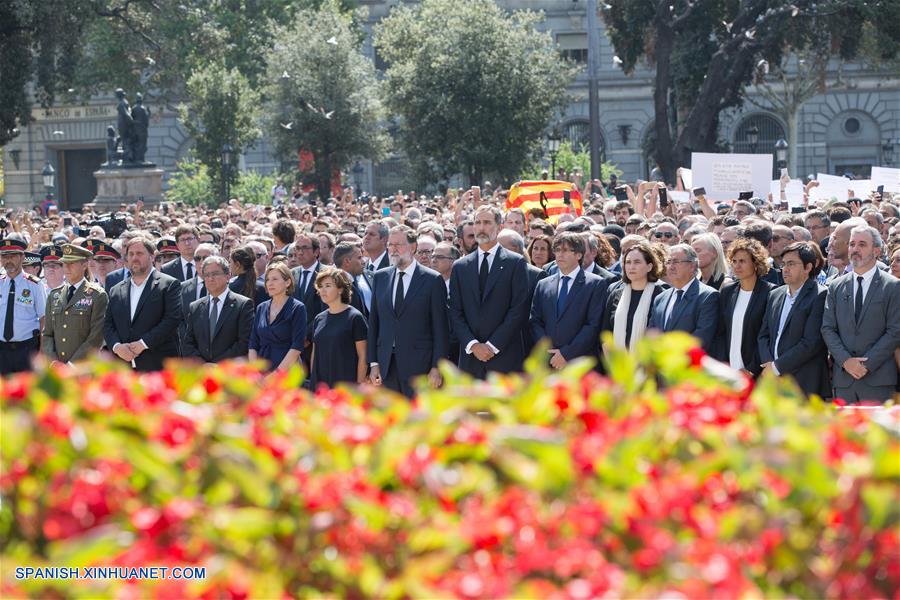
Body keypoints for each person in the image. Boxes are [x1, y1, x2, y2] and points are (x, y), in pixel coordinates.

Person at [449, 206, 530, 378]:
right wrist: (473, 345)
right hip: (470, 359)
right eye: (477, 223)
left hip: (504, 357)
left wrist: (492, 346)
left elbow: (518, 310)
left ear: (499, 227)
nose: (481, 227)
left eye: (487, 222)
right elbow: (455, 311)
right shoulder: (460, 267)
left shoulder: (515, 263)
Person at [822, 226, 900, 402]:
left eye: (862, 244)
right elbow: (828, 328)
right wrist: (846, 361)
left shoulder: (893, 286)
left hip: (878, 379)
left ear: (877, 251)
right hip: (844, 380)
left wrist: (867, 364)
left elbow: (895, 331)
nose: (855, 249)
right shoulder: (835, 286)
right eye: (852, 244)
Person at [368, 226, 448, 397]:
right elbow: (374, 323)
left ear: (413, 247)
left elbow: (440, 329)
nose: (394, 249)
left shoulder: (432, 280)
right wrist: (373, 362)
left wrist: (436, 367)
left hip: (420, 367)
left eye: (399, 245)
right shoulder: (380, 277)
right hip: (386, 366)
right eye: (391, 245)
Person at [758, 242, 829, 398]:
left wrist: (776, 367)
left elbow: (811, 342)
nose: (785, 269)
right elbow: (764, 334)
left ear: (808, 267)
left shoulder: (820, 295)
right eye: (783, 264)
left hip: (803, 383)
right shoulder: (775, 294)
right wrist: (769, 364)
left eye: (791, 264)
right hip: (774, 381)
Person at [104, 237, 182, 372]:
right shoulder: (116, 289)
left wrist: (143, 344)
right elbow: (108, 324)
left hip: (157, 365)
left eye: (139, 253)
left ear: (152, 257)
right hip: (123, 367)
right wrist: (117, 347)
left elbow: (172, 319)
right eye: (131, 254)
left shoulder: (169, 285)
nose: (134, 258)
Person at [529, 232, 607, 368]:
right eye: (557, 250)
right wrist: (548, 351)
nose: (559, 254)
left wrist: (566, 354)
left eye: (565, 250)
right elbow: (535, 320)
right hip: (549, 361)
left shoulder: (595, 284)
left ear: (579, 255)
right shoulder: (543, 284)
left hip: (579, 362)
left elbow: (593, 325)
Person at [714, 238, 773, 377]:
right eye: (734, 261)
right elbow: (721, 332)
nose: (737, 266)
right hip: (729, 371)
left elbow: (766, 336)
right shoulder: (727, 292)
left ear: (756, 263)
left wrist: (751, 369)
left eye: (742, 261)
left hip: (756, 373)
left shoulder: (771, 293)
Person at [42, 244, 109, 365]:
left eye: (71, 263)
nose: (66, 267)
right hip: (57, 368)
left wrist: (71, 365)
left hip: (83, 368)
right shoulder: (54, 295)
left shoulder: (97, 295)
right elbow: (47, 334)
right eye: (64, 263)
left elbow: (96, 337)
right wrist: (53, 362)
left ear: (84, 265)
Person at [181, 256, 254, 363]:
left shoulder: (243, 305)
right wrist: (203, 365)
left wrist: (217, 365)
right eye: (206, 275)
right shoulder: (195, 307)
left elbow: (243, 342)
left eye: (215, 274)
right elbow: (188, 342)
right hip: (201, 372)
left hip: (229, 372)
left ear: (228, 275)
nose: (210, 278)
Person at [648, 244, 719, 352]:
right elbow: (652, 333)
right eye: (668, 262)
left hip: (687, 366)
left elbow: (701, 339)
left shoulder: (708, 296)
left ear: (692, 266)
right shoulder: (660, 298)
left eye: (676, 262)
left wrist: (671, 358)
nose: (671, 266)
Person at [310, 267, 369, 388]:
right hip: (321, 387)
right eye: (320, 286)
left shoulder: (355, 317)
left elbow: (363, 357)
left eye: (328, 285)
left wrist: (358, 387)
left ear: (340, 289)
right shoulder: (318, 318)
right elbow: (315, 354)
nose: (323, 290)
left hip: (346, 387)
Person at [603, 241, 668, 350]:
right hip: (618, 363)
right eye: (628, 262)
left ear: (649, 267)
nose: (631, 267)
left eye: (637, 262)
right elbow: (605, 333)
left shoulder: (661, 295)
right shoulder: (616, 294)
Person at [1, 237, 47, 374]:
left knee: (27, 392)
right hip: (1, 350)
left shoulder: (35, 284)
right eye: (4, 256)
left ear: (23, 257)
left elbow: (44, 319)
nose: (8, 260)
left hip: (26, 349)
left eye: (13, 256)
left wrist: (42, 351)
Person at [248, 262, 307, 372]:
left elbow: (297, 346)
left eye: (275, 279)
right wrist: (254, 372)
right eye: (267, 280)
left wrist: (276, 375)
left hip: (287, 372)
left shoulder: (298, 308)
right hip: (262, 371)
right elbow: (253, 342)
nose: (270, 283)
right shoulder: (261, 307)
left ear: (288, 282)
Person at [290, 233, 324, 366]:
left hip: (316, 342)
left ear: (316, 251)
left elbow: (325, 310)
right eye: (297, 248)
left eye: (304, 248)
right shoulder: (292, 274)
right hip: (293, 342)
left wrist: (307, 335)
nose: (299, 252)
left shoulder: (326, 274)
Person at [333, 242, 373, 319]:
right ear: (347, 261)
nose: (363, 261)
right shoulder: (335, 285)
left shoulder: (355, 281)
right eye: (359, 257)